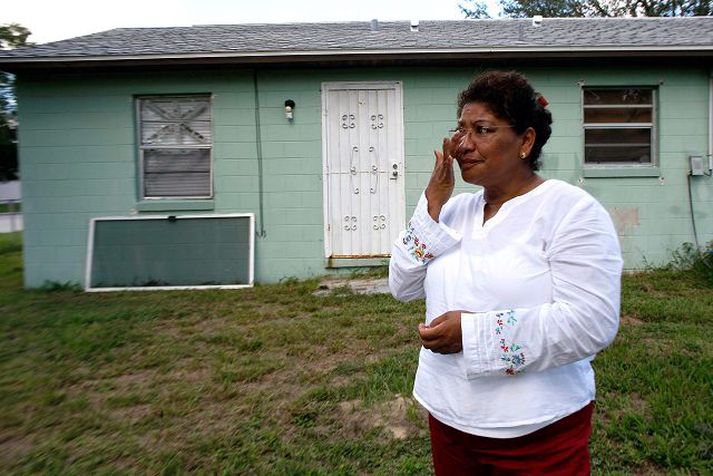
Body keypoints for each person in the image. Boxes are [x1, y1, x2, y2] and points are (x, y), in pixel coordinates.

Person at [388, 71, 622, 475]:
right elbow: (402, 285)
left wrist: (473, 334)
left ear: (526, 142)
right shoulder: (452, 213)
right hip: (448, 417)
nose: (463, 144)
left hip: (536, 432)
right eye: (460, 130)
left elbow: (591, 323)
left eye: (482, 130)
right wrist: (430, 206)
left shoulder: (570, 212)